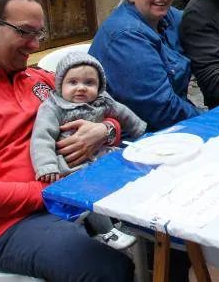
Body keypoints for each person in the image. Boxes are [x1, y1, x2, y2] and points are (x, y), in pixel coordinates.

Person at [0, 0, 133, 281]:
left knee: (163, 222)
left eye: (38, 34)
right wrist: (52, 191)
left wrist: (105, 130)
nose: (35, 45)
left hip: (72, 195)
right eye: (25, 32)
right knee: (104, 269)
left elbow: (108, 110)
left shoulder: (39, 78)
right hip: (6, 225)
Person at [31, 51, 145, 248]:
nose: (81, 88)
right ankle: (105, 231)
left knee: (128, 170)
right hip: (74, 164)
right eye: (72, 82)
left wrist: (139, 129)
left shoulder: (102, 100)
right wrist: (47, 165)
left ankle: (128, 216)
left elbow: (123, 113)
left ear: (99, 86)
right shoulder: (52, 107)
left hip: (101, 154)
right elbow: (42, 138)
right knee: (89, 192)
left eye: (89, 83)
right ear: (60, 85)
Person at [89, 0, 199, 132]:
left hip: (170, 118)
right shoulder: (126, 37)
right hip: (138, 133)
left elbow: (200, 20)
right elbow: (161, 109)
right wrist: (208, 120)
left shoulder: (163, 16)